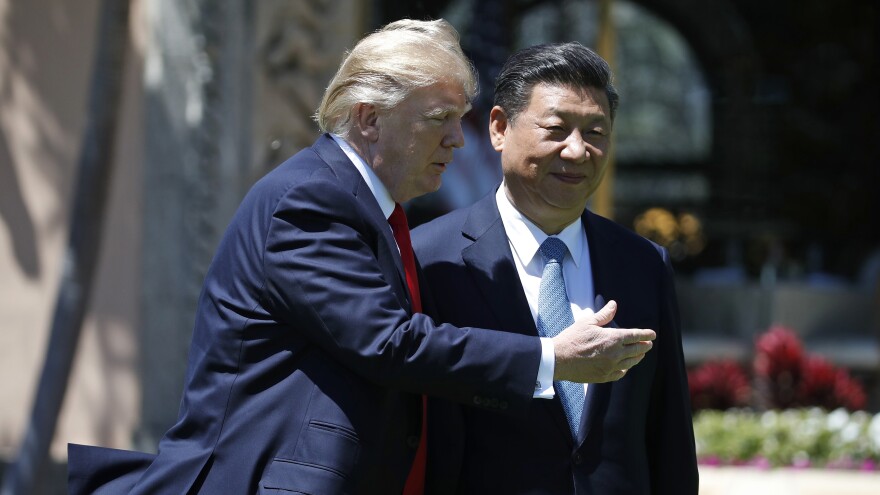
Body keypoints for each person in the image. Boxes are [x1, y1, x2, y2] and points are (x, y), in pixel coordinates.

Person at [67, 21, 657, 495]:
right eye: (439, 120)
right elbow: (389, 343)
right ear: (370, 118)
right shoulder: (310, 199)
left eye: (459, 120)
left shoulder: (369, 207)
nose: (458, 139)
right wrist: (552, 356)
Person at [412, 42, 699, 494]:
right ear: (500, 128)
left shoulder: (642, 263)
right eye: (556, 129)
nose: (577, 150)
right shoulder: (429, 258)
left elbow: (668, 434)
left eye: (597, 132)